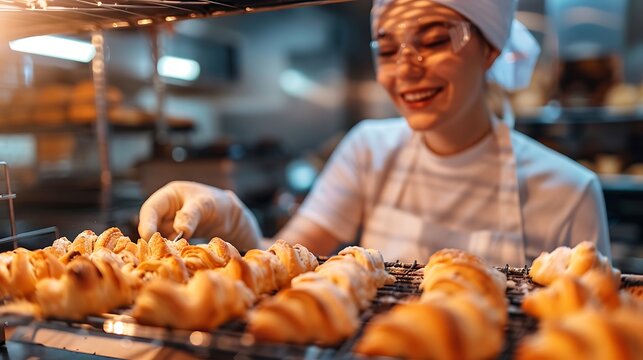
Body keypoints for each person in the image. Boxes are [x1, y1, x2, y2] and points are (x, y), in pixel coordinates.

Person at [138, 0, 611, 266]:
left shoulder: (569, 193)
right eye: (387, 49)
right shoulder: (369, 149)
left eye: (433, 39)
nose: (406, 70)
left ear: (490, 50)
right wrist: (235, 219)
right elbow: (285, 261)